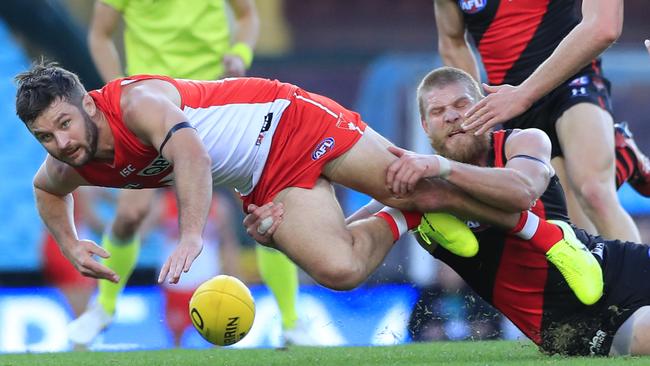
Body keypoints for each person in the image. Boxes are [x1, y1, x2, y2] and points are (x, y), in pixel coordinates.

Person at [15, 61, 604, 332]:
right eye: (45, 136)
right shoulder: (65, 160)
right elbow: (45, 191)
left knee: (425, 178)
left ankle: (552, 238)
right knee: (341, 270)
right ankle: (409, 216)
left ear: (89, 103)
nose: (60, 143)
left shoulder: (136, 105)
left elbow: (189, 153)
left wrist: (193, 233)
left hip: (287, 120)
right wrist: (69, 245)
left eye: (65, 124)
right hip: (262, 180)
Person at [245, 66, 650, 356]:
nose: (453, 116)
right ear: (424, 125)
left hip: (618, 266)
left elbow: (522, 190)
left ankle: (618, 169)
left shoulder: (522, 142)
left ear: (484, 109)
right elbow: (343, 247)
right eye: (439, 112)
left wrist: (441, 168)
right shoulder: (411, 187)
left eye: (462, 104)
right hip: (573, 328)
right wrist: (282, 239)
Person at [68, 0, 309, 348]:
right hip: (151, 109)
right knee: (130, 214)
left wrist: (240, 53)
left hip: (214, 104)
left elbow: (247, 15)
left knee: (265, 210)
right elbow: (100, 35)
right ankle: (103, 308)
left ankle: (291, 321)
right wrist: (119, 92)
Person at [433, 0, 650, 244]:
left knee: (594, 191)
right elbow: (453, 42)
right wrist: (476, 114)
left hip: (571, 77)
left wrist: (523, 94)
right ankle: (621, 159)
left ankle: (642, 277)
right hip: (508, 100)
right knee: (572, 225)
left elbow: (603, 27)